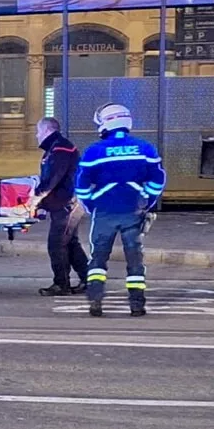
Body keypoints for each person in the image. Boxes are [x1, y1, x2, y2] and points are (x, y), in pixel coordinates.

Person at [74, 103, 166, 318]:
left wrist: (91, 205)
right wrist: (147, 201)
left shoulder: (94, 151)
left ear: (106, 123)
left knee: (97, 259)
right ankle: (136, 304)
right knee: (135, 260)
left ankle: (95, 300)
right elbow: (157, 178)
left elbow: (81, 184)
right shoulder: (145, 148)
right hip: (133, 212)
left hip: (104, 212)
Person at [29, 117, 89, 296]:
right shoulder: (55, 147)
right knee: (70, 244)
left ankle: (61, 284)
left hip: (67, 205)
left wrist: (36, 198)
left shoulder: (60, 148)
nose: (36, 135)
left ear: (47, 130)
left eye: (38, 131)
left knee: (56, 244)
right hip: (66, 204)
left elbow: (53, 179)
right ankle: (89, 280)